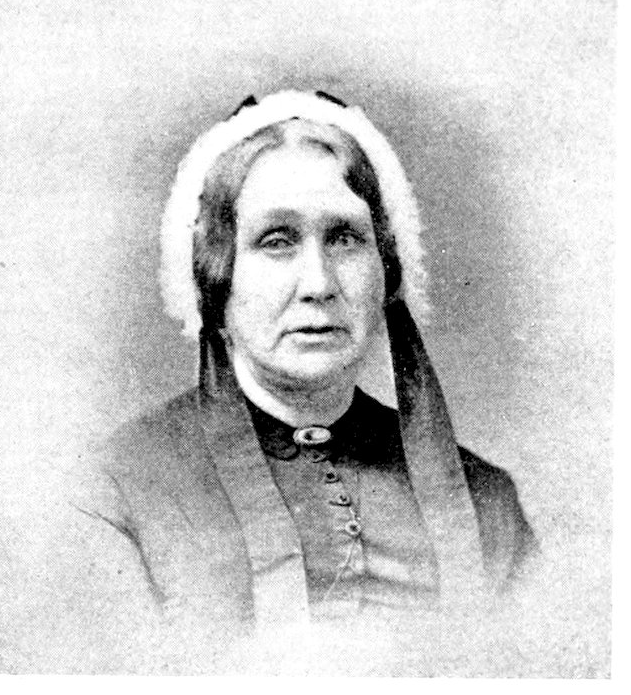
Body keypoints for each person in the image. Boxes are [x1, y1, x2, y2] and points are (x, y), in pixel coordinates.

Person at [74, 89, 538, 673]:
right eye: (277, 241)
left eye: (345, 238)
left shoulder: (486, 502)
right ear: (215, 276)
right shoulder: (116, 490)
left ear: (387, 272)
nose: (319, 284)